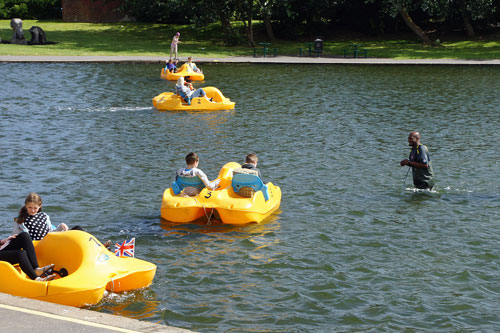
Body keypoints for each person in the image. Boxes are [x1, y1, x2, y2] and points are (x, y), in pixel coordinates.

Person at [13, 192, 83, 241]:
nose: (32, 210)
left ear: (39, 206)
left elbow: (50, 232)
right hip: (36, 245)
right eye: (30, 207)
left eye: (35, 208)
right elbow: (16, 237)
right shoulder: (20, 220)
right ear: (26, 206)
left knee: (78, 228)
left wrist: (61, 226)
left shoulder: (44, 216)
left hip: (49, 241)